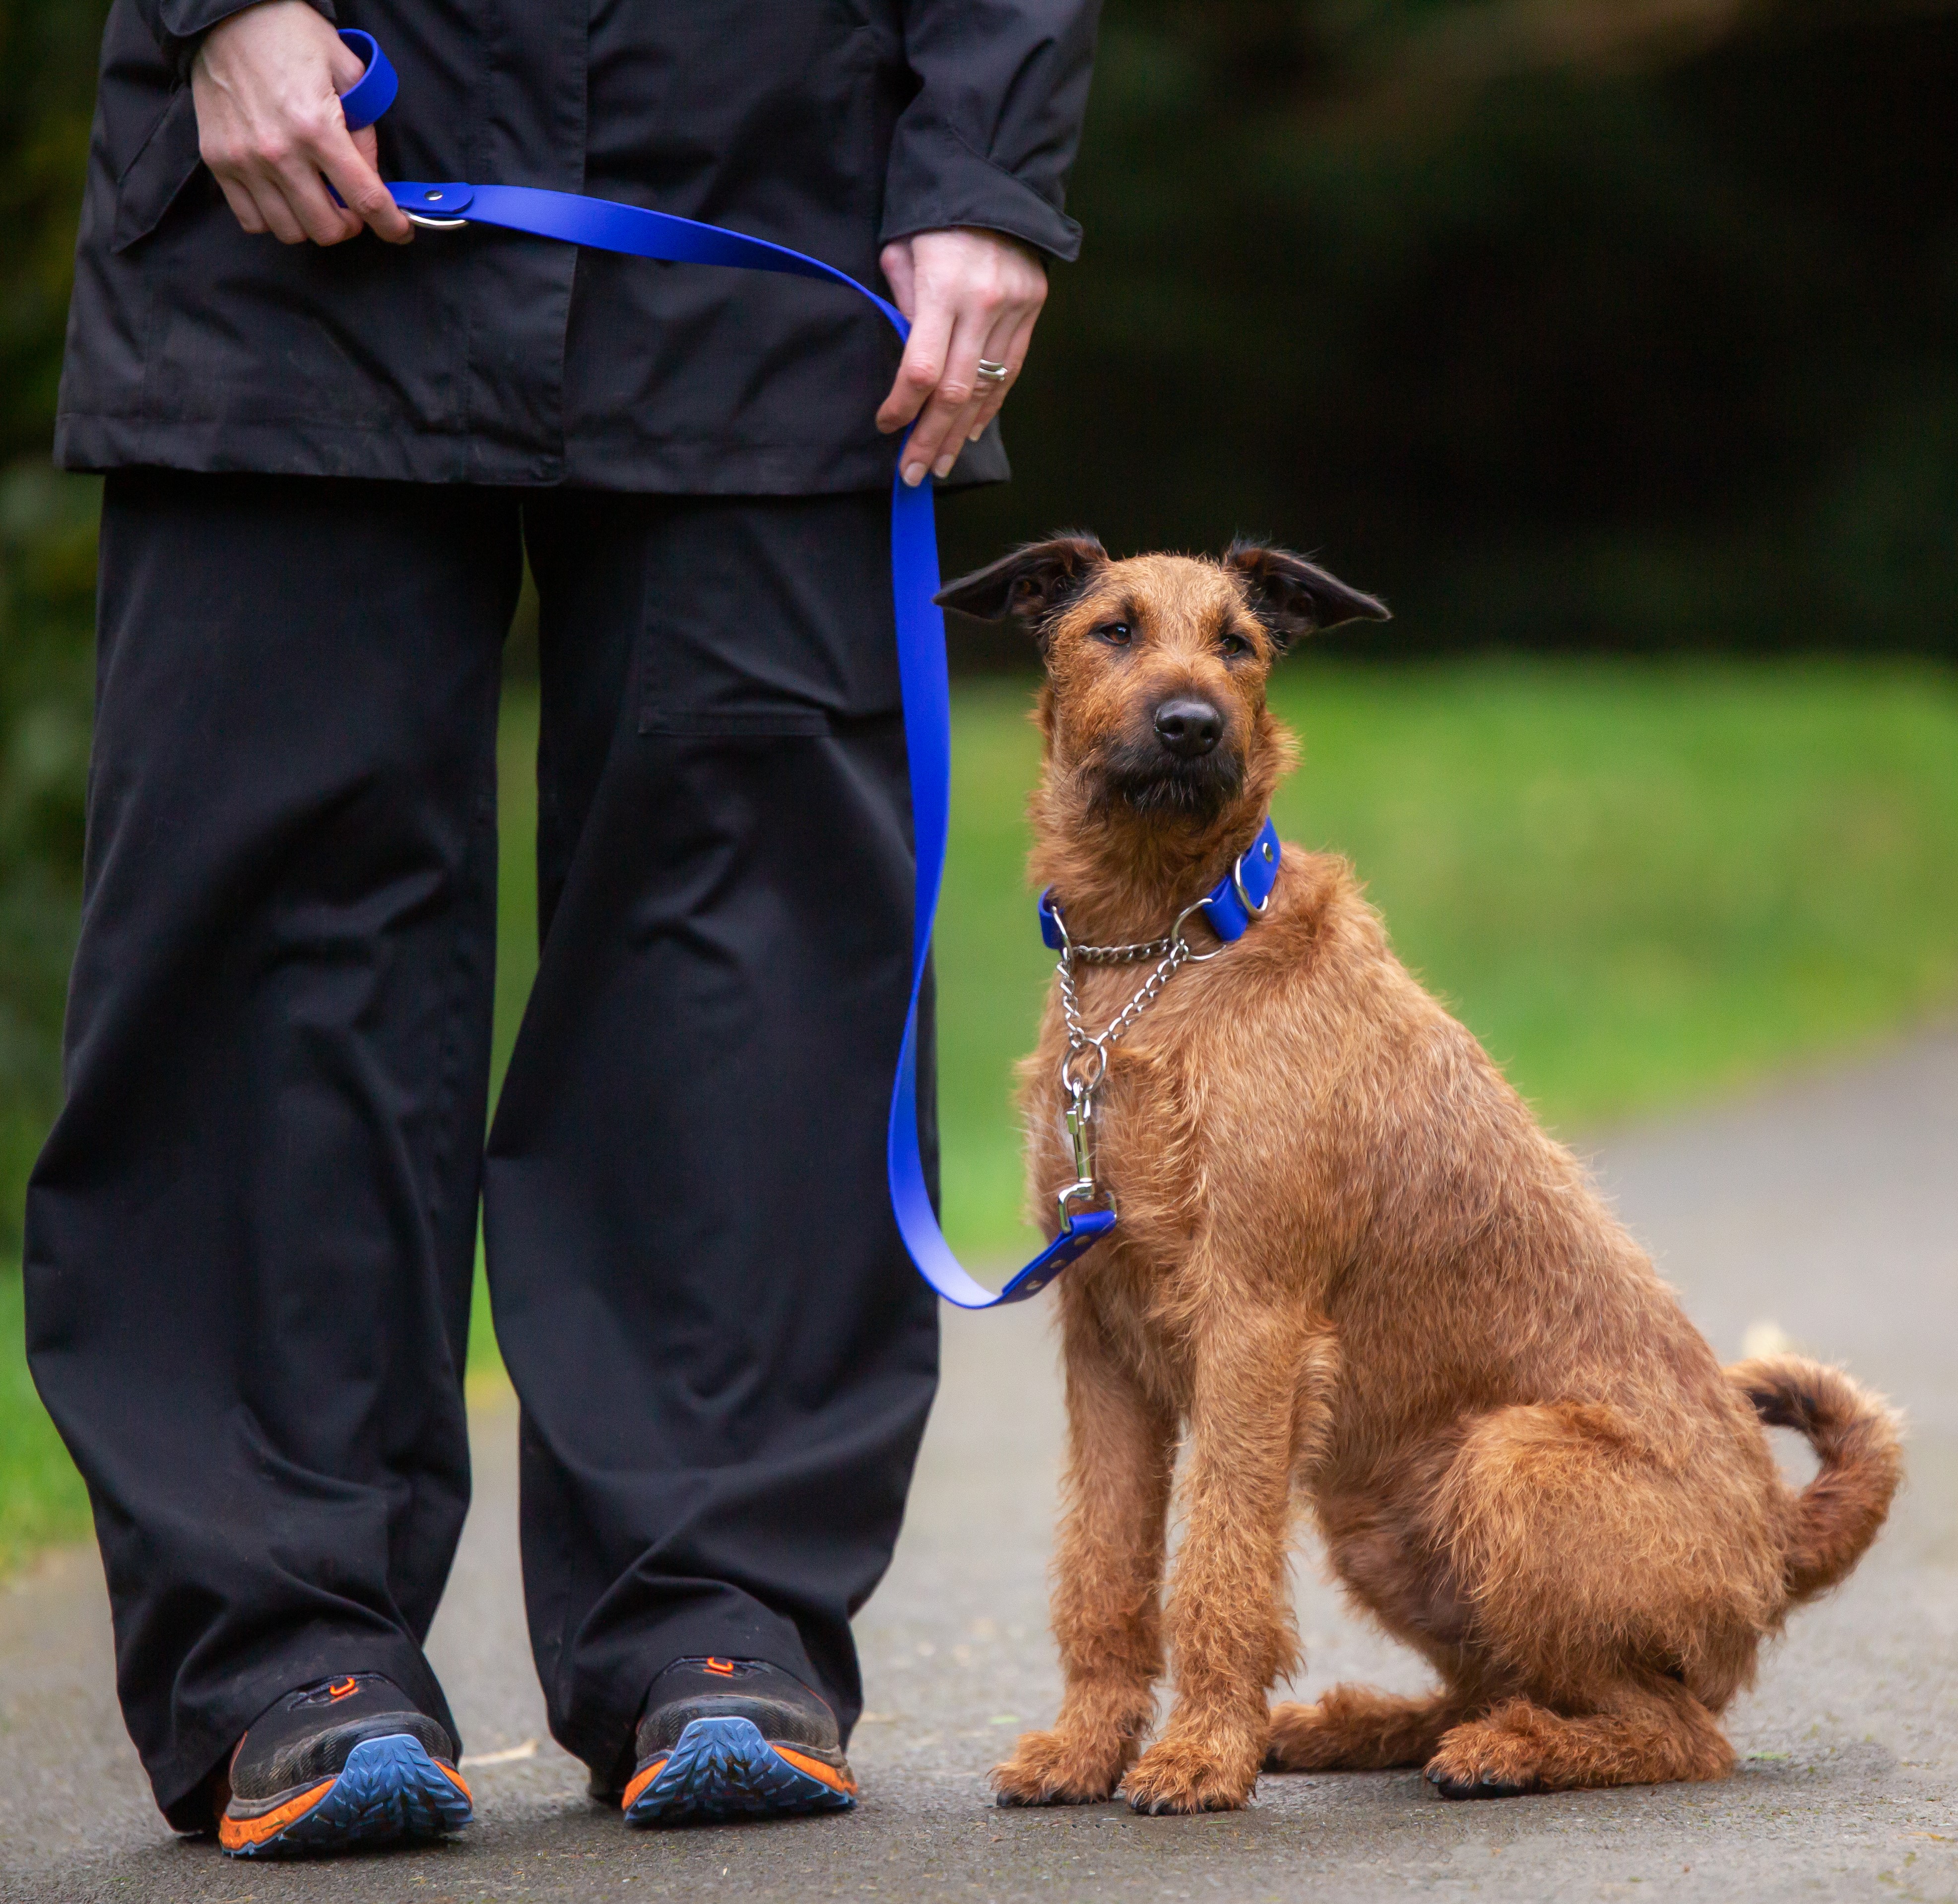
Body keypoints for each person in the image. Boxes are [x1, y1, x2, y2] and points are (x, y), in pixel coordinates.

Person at [26, 0, 1098, 1856]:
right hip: (308, 181)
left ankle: (718, 1613)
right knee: (273, 945)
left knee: (749, 941)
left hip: (776, 199)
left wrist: (987, 161)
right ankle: (282, 1650)